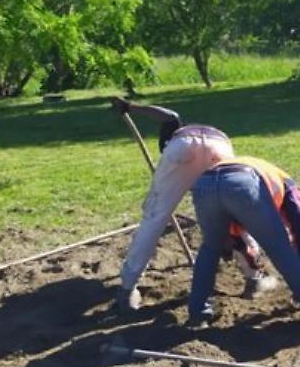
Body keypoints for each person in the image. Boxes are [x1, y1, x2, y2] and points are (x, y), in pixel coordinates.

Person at [112, 98, 276, 313]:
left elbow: (169, 118)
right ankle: (253, 277)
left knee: (154, 218)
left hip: (183, 146)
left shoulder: (174, 138)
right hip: (221, 149)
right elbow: (170, 116)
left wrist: (129, 107)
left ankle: (127, 289)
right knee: (233, 217)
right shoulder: (204, 131)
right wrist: (131, 106)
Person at [188, 155, 300, 329]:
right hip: (242, 184)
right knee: (280, 250)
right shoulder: (288, 185)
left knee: (210, 248)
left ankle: (198, 313)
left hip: (204, 184)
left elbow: (231, 235)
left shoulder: (265, 173)